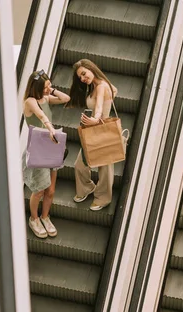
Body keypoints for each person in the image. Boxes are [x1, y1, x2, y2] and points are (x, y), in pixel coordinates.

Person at [22, 69, 70, 238]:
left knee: (50, 190)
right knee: (39, 190)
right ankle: (34, 219)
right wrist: (50, 128)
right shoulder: (30, 101)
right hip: (38, 146)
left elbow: (66, 99)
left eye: (49, 85)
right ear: (36, 87)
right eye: (45, 87)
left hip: (52, 144)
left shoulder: (46, 97)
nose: (48, 89)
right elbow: (42, 116)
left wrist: (52, 90)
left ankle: (45, 217)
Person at [66, 59, 118, 211]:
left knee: (105, 167)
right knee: (80, 164)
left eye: (83, 73)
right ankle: (87, 188)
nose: (82, 78)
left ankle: (103, 198)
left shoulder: (101, 86)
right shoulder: (96, 84)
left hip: (102, 129)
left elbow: (100, 108)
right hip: (94, 130)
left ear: (91, 68)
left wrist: (95, 119)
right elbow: (114, 90)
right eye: (80, 77)